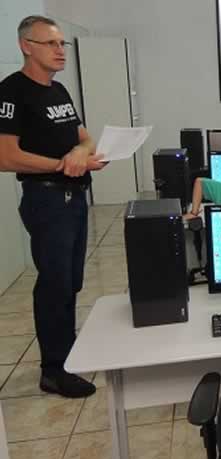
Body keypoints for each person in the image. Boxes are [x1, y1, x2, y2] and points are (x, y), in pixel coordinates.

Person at [0, 16, 107, 398]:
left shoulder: (58, 90)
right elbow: (6, 156)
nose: (60, 50)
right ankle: (54, 370)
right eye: (51, 44)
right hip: (46, 199)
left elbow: (85, 137)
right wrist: (64, 165)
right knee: (54, 284)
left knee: (71, 281)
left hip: (73, 197)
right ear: (26, 46)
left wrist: (79, 153)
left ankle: (67, 352)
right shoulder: (12, 91)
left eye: (62, 44)